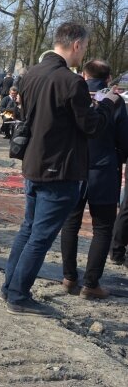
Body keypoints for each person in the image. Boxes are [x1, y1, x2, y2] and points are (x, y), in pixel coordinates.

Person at [0, 22, 120, 317]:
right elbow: (90, 126)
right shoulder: (71, 81)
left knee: (28, 229)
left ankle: (9, 286)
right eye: (85, 46)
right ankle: (18, 294)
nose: (85, 53)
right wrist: (107, 104)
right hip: (60, 168)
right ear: (76, 44)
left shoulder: (31, 73)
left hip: (34, 162)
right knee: (40, 235)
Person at [59, 60, 128, 300]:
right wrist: (115, 157)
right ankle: (90, 283)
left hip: (74, 166)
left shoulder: (72, 92)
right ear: (108, 79)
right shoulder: (115, 101)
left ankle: (69, 276)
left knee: (70, 222)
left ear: (84, 74)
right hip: (104, 169)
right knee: (102, 228)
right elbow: (124, 141)